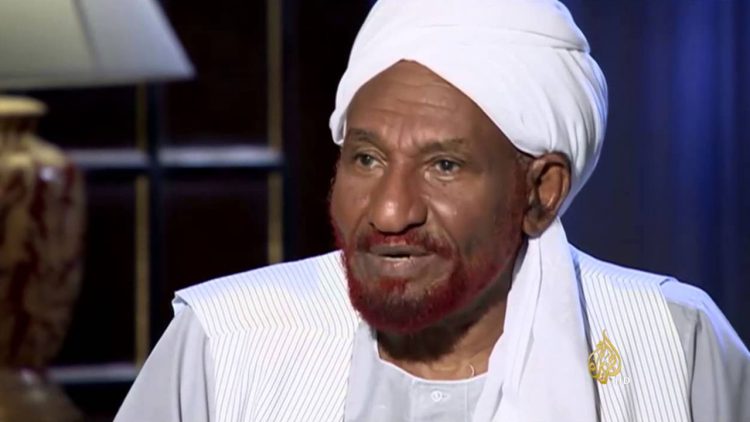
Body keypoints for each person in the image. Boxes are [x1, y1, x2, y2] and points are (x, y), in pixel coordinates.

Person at [115, 0, 750, 421]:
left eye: (444, 165)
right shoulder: (224, 342)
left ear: (541, 193)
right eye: (366, 158)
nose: (390, 212)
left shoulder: (675, 344)